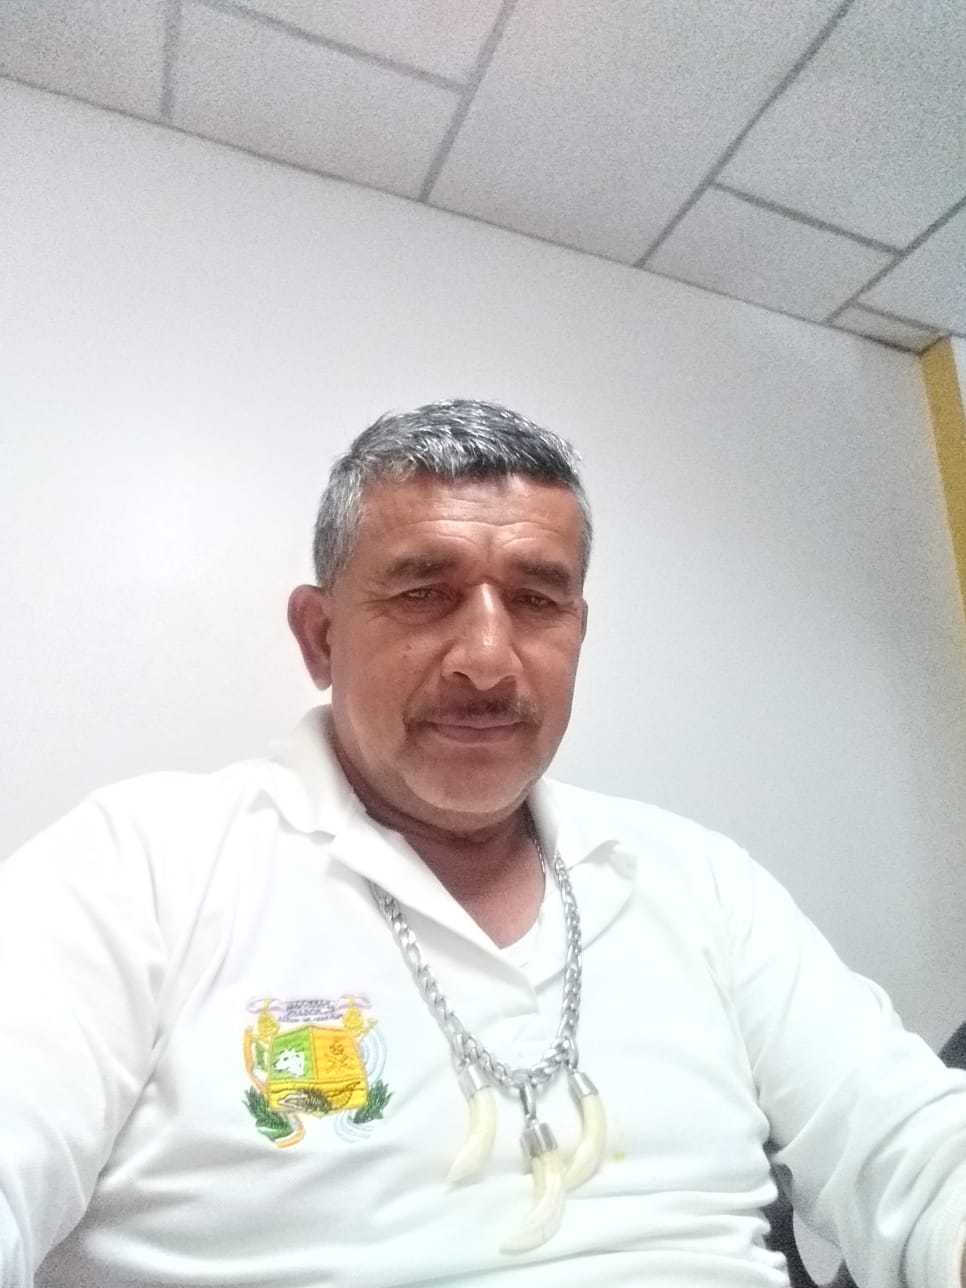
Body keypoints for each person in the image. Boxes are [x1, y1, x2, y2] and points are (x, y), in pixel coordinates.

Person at [1, 398, 965, 1288]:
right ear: (321, 636)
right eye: (425, 593)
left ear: (578, 629)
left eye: (539, 601)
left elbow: (913, 1149)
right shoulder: (138, 869)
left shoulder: (702, 881)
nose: (490, 662)